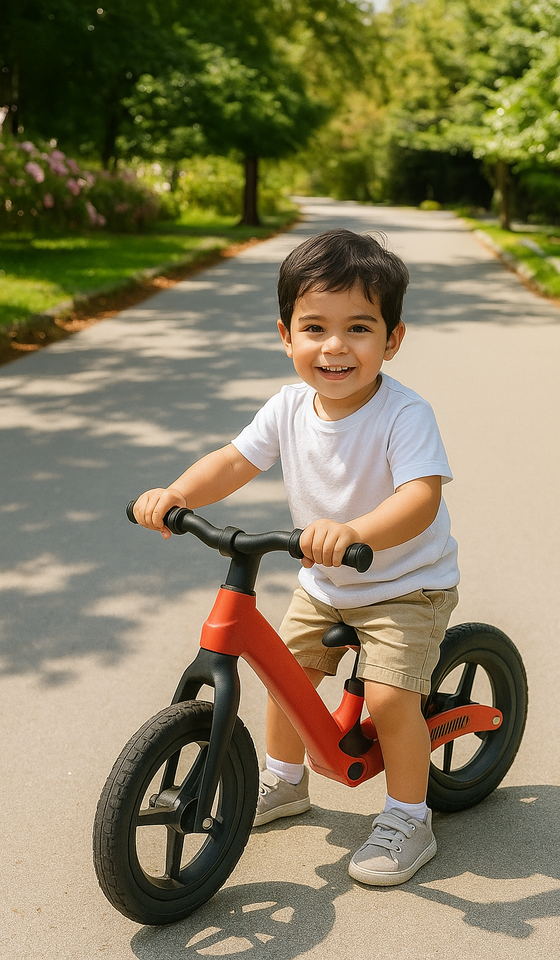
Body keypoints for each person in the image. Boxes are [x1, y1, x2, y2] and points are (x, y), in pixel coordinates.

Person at [133, 228, 459, 886]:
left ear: (392, 340)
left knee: (394, 701)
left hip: (405, 584)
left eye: (359, 329)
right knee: (285, 677)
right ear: (286, 335)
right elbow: (233, 460)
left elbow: (420, 498)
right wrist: (178, 493)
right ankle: (284, 782)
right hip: (325, 581)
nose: (334, 347)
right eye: (314, 327)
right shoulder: (287, 407)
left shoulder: (403, 414)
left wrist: (356, 528)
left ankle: (408, 816)